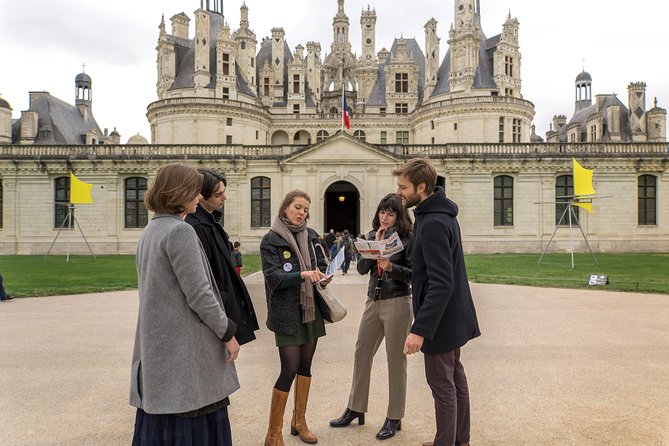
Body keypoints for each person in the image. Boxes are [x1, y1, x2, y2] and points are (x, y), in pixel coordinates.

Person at [129, 163, 240, 446]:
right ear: (179, 193)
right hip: (185, 351)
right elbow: (200, 294)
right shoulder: (180, 232)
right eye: (194, 191)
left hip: (160, 348)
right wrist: (227, 332)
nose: (199, 197)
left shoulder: (151, 230)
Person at [394, 158, 480, 446]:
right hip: (453, 314)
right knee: (455, 378)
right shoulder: (440, 215)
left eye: (403, 187)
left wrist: (420, 329)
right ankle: (458, 439)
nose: (399, 192)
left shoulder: (432, 223)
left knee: (442, 384)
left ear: (421, 186)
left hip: (441, 319)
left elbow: (441, 283)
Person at [330, 193, 413, 441]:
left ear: (399, 216)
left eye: (390, 213)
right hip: (373, 300)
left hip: (397, 300)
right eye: (381, 212)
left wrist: (391, 267)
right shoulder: (372, 234)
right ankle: (356, 407)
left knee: (395, 361)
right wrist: (372, 246)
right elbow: (362, 269)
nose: (384, 217)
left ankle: (394, 416)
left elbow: (414, 274)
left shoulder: (408, 239)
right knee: (361, 352)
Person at [260, 190, 332, 446]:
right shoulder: (271, 240)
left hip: (310, 310)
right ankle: (273, 434)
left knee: (305, 366)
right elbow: (274, 278)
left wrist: (323, 275)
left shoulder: (310, 235)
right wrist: (303, 274)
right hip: (287, 313)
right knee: (288, 369)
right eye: (298, 207)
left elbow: (321, 265)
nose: (302, 213)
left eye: (305, 209)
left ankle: (299, 421)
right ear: (285, 208)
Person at [185, 168, 259, 345]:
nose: (224, 198)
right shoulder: (197, 227)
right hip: (217, 313)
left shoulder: (210, 223)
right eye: (218, 195)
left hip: (223, 308)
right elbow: (204, 283)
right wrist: (223, 324)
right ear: (201, 196)